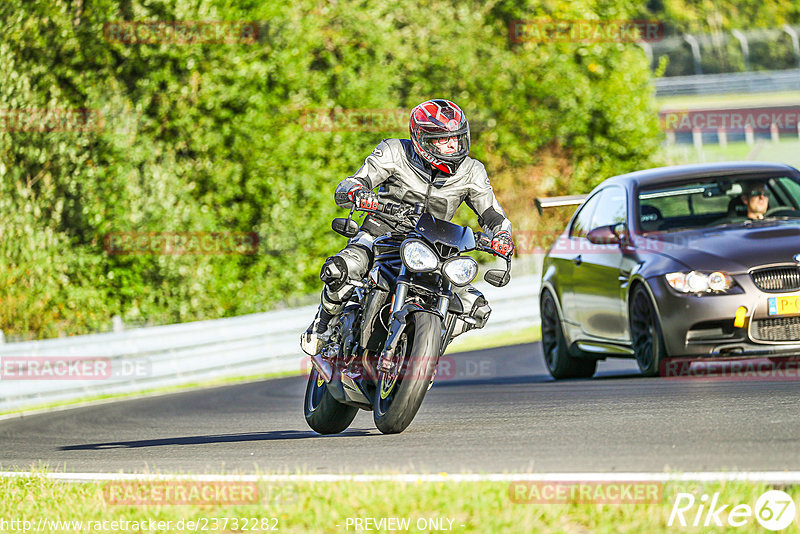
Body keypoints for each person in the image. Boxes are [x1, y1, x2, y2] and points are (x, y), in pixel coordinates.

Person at [301, 99, 513, 356]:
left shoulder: (472, 171)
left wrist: (502, 236)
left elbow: (493, 213)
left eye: (456, 138)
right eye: (443, 139)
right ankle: (322, 325)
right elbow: (354, 181)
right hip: (382, 230)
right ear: (422, 139)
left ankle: (424, 351)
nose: (453, 145)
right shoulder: (393, 151)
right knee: (340, 269)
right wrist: (358, 192)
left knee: (476, 308)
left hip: (435, 244)